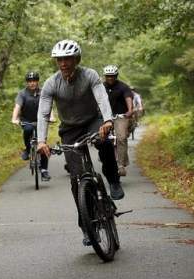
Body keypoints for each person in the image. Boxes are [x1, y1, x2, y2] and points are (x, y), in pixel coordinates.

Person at [36, 39, 124, 246]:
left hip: (94, 122)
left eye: (67, 58)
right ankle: (86, 226)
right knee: (76, 179)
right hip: (70, 129)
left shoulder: (90, 75)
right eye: (59, 60)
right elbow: (43, 113)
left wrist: (108, 120)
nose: (63, 63)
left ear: (76, 59)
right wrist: (41, 141)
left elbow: (102, 98)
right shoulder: (51, 83)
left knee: (104, 142)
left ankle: (113, 179)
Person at [11, 71, 51, 181]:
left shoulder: (43, 92)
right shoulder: (22, 94)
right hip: (27, 120)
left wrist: (51, 117)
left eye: (34, 81)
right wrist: (14, 118)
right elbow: (17, 107)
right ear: (27, 83)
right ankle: (28, 150)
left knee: (42, 142)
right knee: (28, 129)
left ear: (37, 82)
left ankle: (44, 170)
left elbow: (48, 107)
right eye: (29, 81)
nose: (32, 83)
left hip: (40, 121)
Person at [102, 65, 133, 177]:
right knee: (100, 139)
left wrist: (130, 110)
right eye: (108, 76)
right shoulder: (101, 87)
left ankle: (121, 165)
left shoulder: (123, 87)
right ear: (105, 76)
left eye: (112, 76)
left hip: (121, 115)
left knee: (121, 137)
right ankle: (105, 159)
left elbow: (128, 98)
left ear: (116, 76)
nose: (110, 78)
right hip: (105, 117)